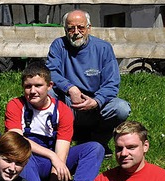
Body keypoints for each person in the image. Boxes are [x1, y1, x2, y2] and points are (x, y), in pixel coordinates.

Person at [5, 61, 104, 181]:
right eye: (27, 86)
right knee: (21, 155)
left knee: (95, 148)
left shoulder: (63, 111)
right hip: (28, 159)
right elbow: (17, 140)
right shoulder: (15, 105)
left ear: (50, 86)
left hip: (54, 160)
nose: (32, 91)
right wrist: (51, 156)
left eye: (38, 86)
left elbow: (62, 151)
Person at [46, 9, 131, 153]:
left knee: (121, 108)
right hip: (68, 103)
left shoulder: (103, 48)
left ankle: (98, 142)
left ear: (89, 28)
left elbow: (112, 83)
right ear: (65, 29)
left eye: (81, 27)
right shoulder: (58, 45)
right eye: (71, 28)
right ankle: (54, 143)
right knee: (48, 93)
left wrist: (96, 101)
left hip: (96, 104)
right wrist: (70, 88)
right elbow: (51, 72)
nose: (76, 32)